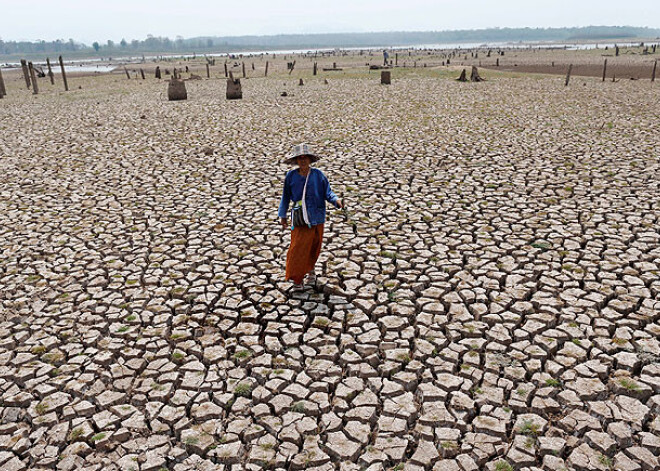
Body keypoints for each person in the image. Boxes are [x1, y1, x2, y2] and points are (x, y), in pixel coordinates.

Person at [278, 143, 343, 292]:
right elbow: (285, 197)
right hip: (300, 218)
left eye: (305, 158)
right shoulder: (291, 176)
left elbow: (328, 192)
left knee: (314, 246)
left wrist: (336, 201)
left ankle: (311, 270)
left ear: (310, 159)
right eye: (300, 158)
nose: (303, 161)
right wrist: (282, 215)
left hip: (316, 216)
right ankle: (297, 279)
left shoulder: (318, 175)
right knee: (297, 248)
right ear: (296, 160)